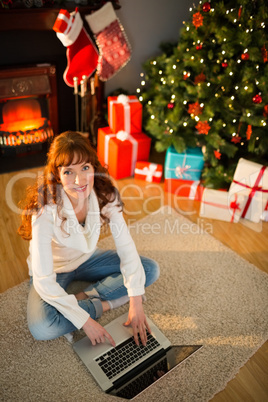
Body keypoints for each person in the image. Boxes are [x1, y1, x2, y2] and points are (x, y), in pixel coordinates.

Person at [18, 131, 159, 347]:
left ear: (94, 167)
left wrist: (136, 302)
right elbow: (44, 280)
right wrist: (85, 320)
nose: (79, 180)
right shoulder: (45, 209)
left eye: (85, 168)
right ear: (57, 175)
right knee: (42, 326)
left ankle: (84, 296)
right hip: (55, 269)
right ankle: (105, 304)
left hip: (87, 258)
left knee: (149, 269)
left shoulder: (104, 193)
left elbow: (126, 246)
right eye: (68, 172)